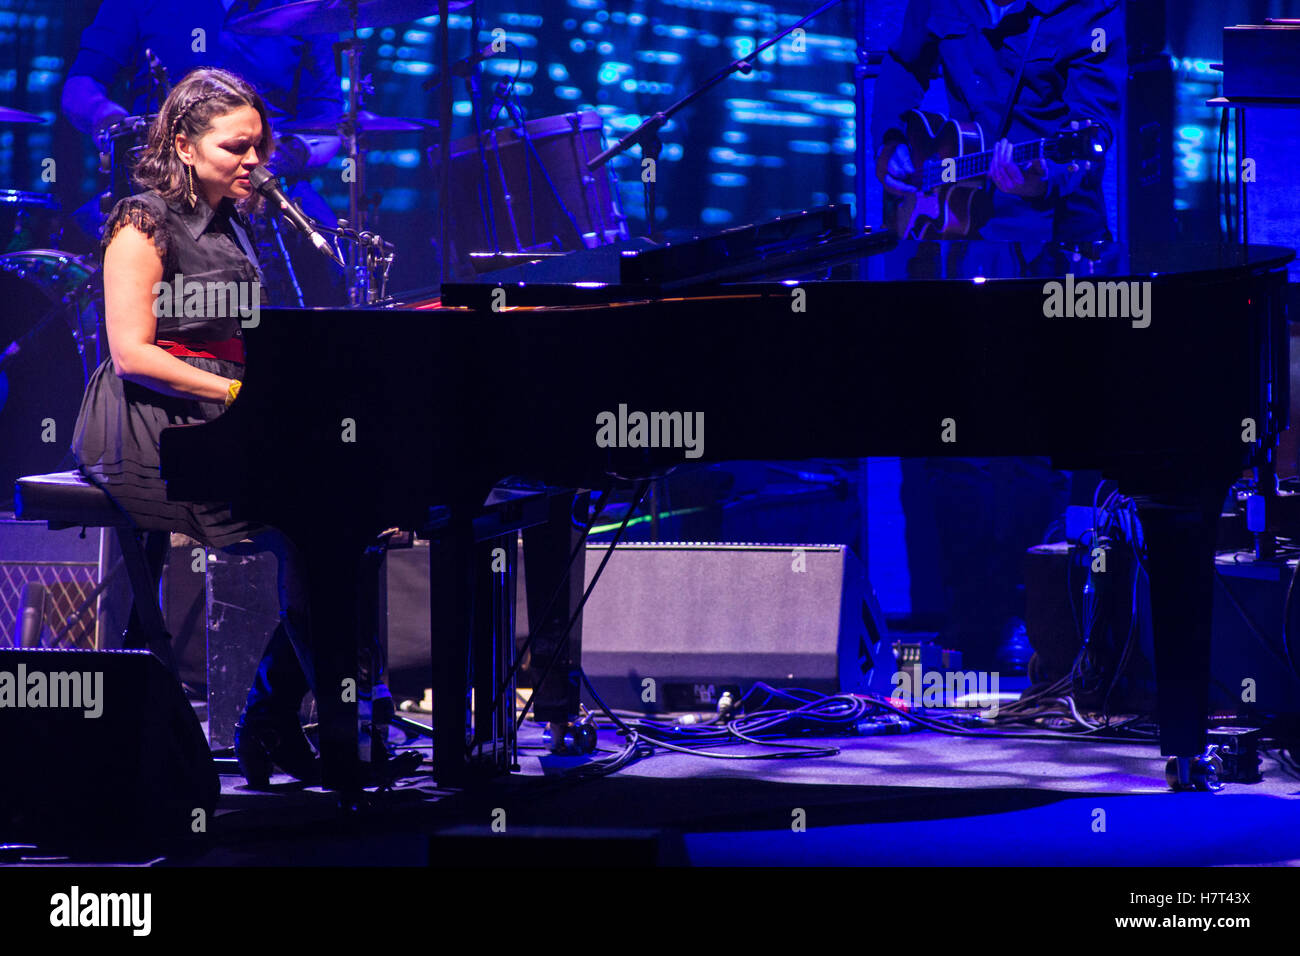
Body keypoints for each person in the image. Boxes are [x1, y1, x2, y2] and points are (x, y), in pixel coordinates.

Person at [69, 68, 411, 790]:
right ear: (185, 146)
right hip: (150, 421)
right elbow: (133, 354)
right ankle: (333, 743)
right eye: (237, 147)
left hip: (223, 407)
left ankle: (274, 719)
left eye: (259, 147)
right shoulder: (141, 222)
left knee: (350, 523)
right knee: (312, 524)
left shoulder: (236, 221)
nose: (255, 161)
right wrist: (236, 391)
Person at [61, 0, 343, 305]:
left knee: (328, 255)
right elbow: (81, 85)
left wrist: (282, 157)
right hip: (162, 175)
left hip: (268, 176)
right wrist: (109, 120)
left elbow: (328, 124)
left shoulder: (304, 6)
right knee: (79, 242)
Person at [871, 0, 1122, 243]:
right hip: (954, 226)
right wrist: (890, 139)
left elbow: (1091, 127)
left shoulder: (1091, 11)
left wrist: (1047, 178)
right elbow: (904, 63)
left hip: (1052, 234)